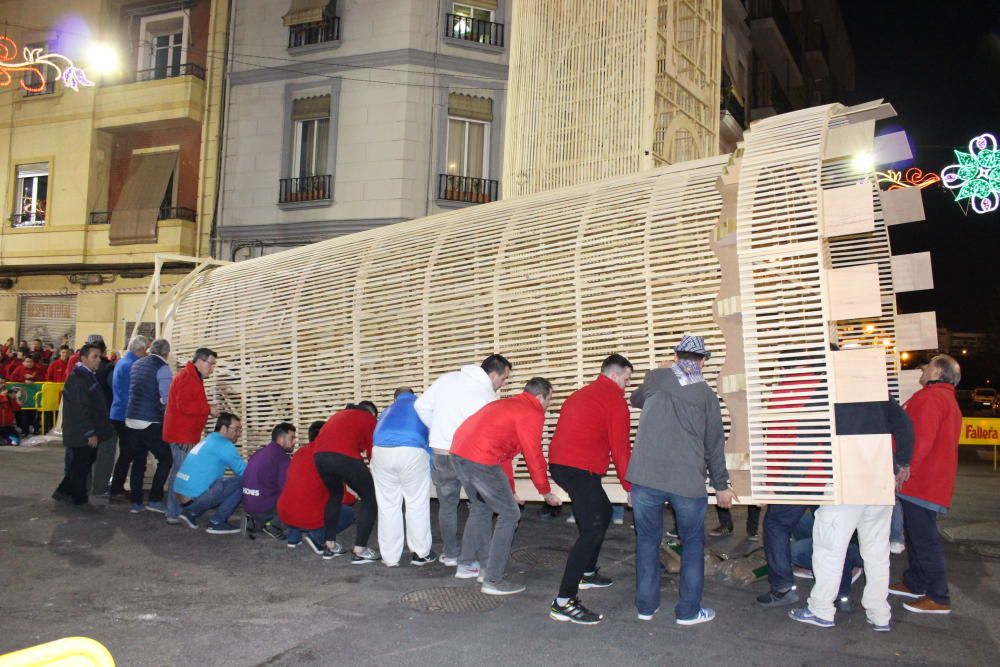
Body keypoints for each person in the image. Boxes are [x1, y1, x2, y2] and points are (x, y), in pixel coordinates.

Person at [627, 335, 734, 626]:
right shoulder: (707, 395)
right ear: (701, 362)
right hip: (687, 482)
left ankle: (646, 608)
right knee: (692, 546)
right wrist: (721, 484)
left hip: (645, 478)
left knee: (647, 542)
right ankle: (688, 612)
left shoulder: (656, 378)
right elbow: (714, 444)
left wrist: (661, 370)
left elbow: (634, 400)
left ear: (676, 357)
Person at [789, 393, 914, 630]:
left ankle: (821, 609)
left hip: (845, 481)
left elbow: (805, 433)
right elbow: (905, 426)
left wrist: (789, 482)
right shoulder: (878, 392)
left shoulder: (831, 389)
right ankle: (879, 614)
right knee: (877, 552)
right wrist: (902, 461)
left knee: (829, 549)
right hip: (879, 480)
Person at [451, 377, 563, 595]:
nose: (548, 406)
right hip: (480, 458)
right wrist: (545, 491)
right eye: (549, 400)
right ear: (541, 397)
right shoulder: (532, 411)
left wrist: (509, 490)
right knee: (510, 514)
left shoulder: (507, 404)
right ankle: (493, 580)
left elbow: (504, 456)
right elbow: (533, 454)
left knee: (482, 508)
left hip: (459, 453)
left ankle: (475, 567)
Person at [547, 354, 634, 624]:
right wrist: (630, 486)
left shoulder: (581, 394)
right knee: (593, 527)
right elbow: (620, 448)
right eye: (627, 380)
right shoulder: (613, 401)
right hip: (579, 469)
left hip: (565, 465)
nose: (626, 386)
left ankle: (587, 572)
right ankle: (564, 601)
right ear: (616, 375)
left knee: (604, 512)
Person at [414, 354, 512, 568]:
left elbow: (420, 406)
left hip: (441, 451)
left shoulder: (446, 379)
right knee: (479, 507)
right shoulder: (487, 395)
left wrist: (438, 431)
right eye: (504, 379)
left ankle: (450, 554)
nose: (503, 384)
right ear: (493, 374)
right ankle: (473, 558)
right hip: (469, 456)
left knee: (447, 505)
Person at [889, 355, 963, 615]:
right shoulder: (943, 398)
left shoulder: (932, 398)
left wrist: (905, 468)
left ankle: (938, 596)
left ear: (938, 373)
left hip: (922, 482)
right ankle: (915, 581)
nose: (922, 368)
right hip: (928, 481)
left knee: (924, 540)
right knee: (918, 536)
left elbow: (920, 440)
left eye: (928, 365)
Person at [371, 387, 436, 568]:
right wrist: (430, 466)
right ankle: (420, 554)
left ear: (395, 398)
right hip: (411, 451)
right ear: (413, 394)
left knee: (387, 505)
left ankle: (390, 557)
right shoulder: (421, 406)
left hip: (381, 452)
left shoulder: (387, 411)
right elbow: (431, 439)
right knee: (416, 503)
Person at [312, 401, 380, 562]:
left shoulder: (338, 414)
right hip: (344, 456)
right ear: (372, 413)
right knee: (369, 497)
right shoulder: (368, 418)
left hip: (319, 456)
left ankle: (330, 546)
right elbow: (372, 451)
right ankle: (360, 550)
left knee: (335, 494)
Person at [278, 421, 357, 554]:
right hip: (309, 516)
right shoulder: (329, 457)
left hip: (285, 512)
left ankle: (294, 536)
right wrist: (354, 497)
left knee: (303, 499)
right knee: (348, 513)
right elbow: (342, 496)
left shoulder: (299, 453)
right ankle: (319, 537)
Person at [52, 343, 114, 507]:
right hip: (81, 432)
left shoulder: (87, 375)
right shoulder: (79, 379)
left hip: (84, 430)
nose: (98, 360)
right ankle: (79, 498)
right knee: (82, 465)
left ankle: (63, 491)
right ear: (83, 358)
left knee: (81, 463)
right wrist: (90, 433)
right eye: (94, 357)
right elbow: (81, 409)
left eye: (99, 356)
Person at [162, 347, 218, 524]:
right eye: (211, 364)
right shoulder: (187, 378)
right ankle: (173, 511)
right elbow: (185, 406)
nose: (212, 368)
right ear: (200, 361)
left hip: (186, 433)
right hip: (182, 434)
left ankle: (177, 509)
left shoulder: (192, 376)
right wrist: (209, 409)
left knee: (181, 472)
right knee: (179, 473)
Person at [174, 412, 246, 534]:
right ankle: (217, 522)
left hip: (181, 496)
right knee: (243, 482)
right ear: (224, 428)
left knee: (221, 481)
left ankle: (190, 513)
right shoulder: (224, 444)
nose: (238, 434)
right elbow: (245, 472)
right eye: (236, 429)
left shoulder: (208, 440)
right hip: (194, 500)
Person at [125, 338, 173, 513]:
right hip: (150, 420)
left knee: (138, 461)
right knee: (167, 458)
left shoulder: (137, 364)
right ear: (166, 353)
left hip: (131, 419)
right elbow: (167, 398)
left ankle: (136, 502)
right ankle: (155, 498)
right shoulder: (163, 368)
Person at [108, 336, 149, 500]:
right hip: (127, 415)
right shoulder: (133, 365)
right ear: (140, 349)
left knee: (127, 453)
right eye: (146, 350)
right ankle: (118, 488)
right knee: (129, 453)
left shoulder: (123, 362)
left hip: (119, 412)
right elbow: (137, 392)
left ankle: (118, 487)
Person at [242, 422, 297, 539]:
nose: (294, 441)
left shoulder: (259, 452)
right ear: (281, 439)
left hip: (249, 505)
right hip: (265, 507)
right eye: (292, 438)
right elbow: (287, 488)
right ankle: (275, 525)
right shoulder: (282, 457)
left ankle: (256, 522)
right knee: (300, 499)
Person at [0, 378, 22, 445]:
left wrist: (15, 398)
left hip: (8, 425)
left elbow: (17, 408)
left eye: (4, 383)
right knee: (13, 441)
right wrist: (2, 395)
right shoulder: (3, 396)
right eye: (1, 383)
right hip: (1, 425)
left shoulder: (9, 397)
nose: (3, 385)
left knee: (16, 440)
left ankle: (5, 439)